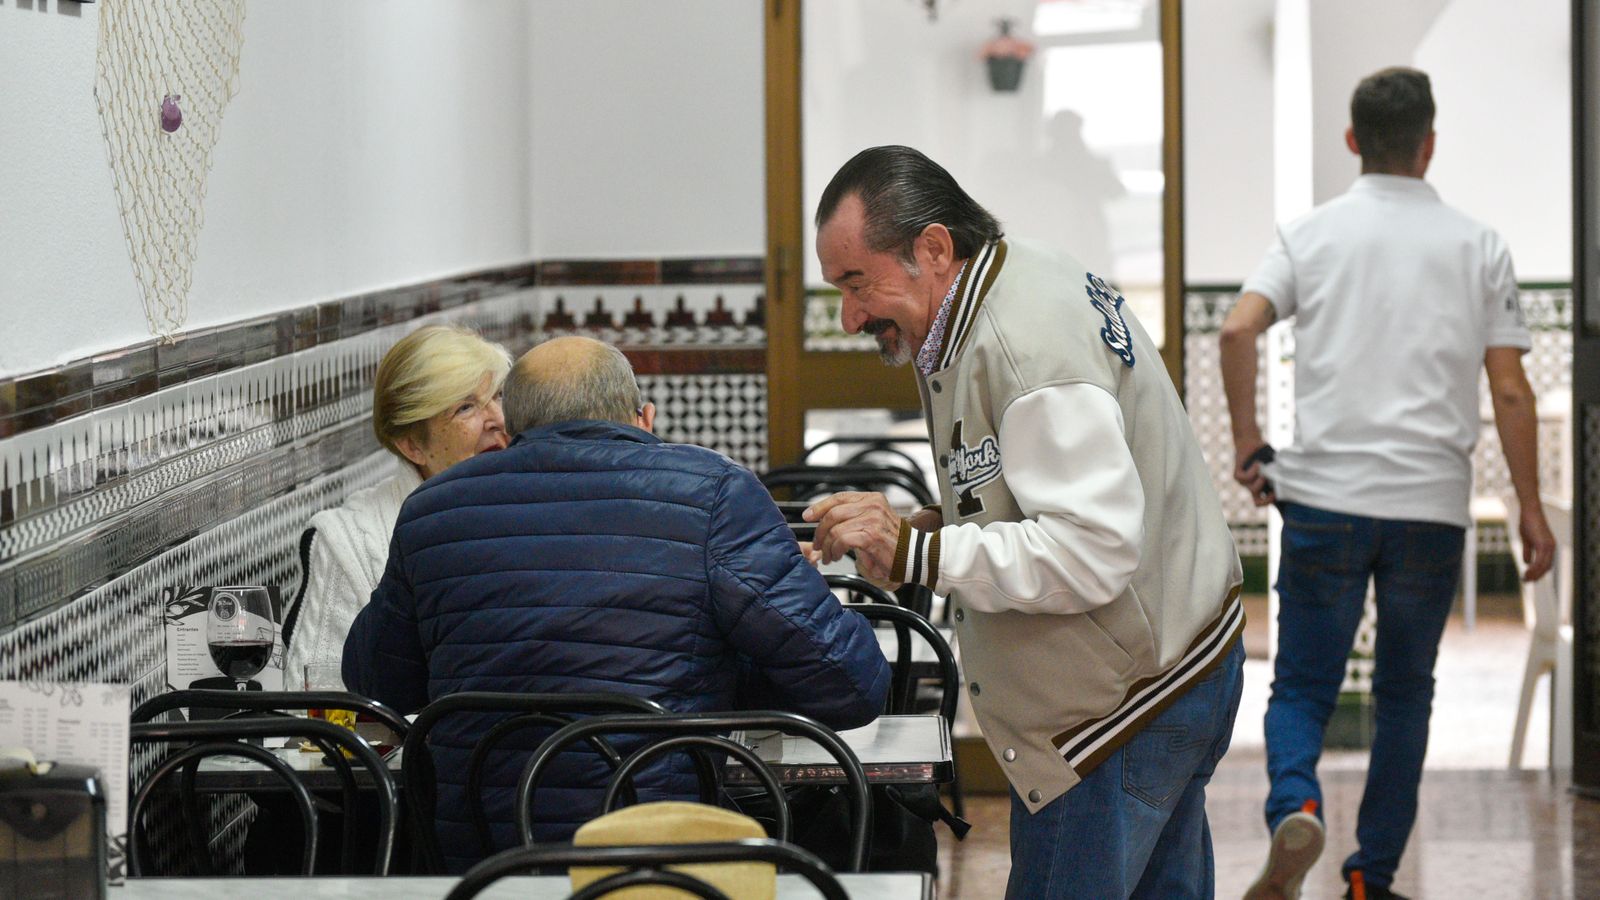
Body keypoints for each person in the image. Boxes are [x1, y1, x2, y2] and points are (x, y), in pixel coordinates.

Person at [807, 145, 1245, 899]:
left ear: (932, 248)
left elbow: (1091, 550)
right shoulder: (1000, 289)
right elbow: (1034, 487)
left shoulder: (1021, 343)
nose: (850, 317)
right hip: (1174, 668)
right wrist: (926, 534)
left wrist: (921, 552)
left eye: (857, 283)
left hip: (1116, 712)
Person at [342, 335, 890, 872]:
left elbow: (376, 686)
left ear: (513, 427)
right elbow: (852, 684)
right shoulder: (715, 493)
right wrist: (718, 670)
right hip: (661, 863)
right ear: (643, 418)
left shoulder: (430, 511)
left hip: (483, 867)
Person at [1221, 68, 1556, 900]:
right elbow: (1512, 391)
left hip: (1324, 501)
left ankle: (1296, 803)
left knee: (1302, 686)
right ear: (1429, 144)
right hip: (1430, 510)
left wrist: (1249, 441)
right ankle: (1371, 877)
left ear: (1352, 141)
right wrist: (1530, 508)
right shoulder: (1479, 245)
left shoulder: (1308, 235)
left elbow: (1236, 329)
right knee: (1407, 694)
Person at [282, 323, 510, 692]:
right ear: (412, 446)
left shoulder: (542, 512)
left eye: (498, 395)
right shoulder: (350, 541)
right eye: (465, 407)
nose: (497, 419)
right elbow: (318, 697)